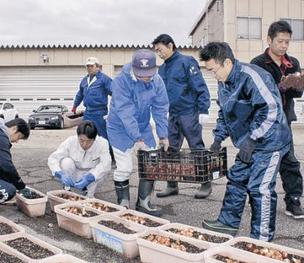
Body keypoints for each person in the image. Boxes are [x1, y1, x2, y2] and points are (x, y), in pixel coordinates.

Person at [199, 42, 291, 241]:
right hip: (248, 142)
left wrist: (252, 138)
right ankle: (227, 224)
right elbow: (225, 112)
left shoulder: (253, 77)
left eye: (214, 70)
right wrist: (217, 139)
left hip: (270, 142)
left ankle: (262, 240)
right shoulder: (223, 82)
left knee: (260, 188)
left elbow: (271, 110)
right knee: (237, 179)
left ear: (227, 63)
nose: (213, 76)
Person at [251, 21, 304, 219]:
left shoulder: (293, 63)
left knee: (289, 161)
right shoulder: (257, 63)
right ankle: (257, 199)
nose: (283, 46)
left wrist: (295, 84)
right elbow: (255, 92)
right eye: (280, 41)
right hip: (264, 121)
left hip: (284, 121)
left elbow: (297, 93)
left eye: (287, 42)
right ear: (269, 40)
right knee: (262, 161)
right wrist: (279, 86)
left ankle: (293, 201)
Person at [107, 49, 169, 216]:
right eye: (141, 74)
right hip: (119, 127)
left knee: (151, 162)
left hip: (142, 125)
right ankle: (123, 202)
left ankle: (143, 203)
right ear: (133, 68)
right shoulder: (121, 81)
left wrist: (163, 135)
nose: (146, 78)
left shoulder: (157, 80)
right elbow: (125, 111)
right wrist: (137, 139)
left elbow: (160, 108)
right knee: (125, 167)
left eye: (149, 74)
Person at [152, 34, 211, 199]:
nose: (159, 53)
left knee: (196, 148)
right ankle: (172, 185)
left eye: (160, 49)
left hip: (189, 112)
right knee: (170, 149)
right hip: (173, 115)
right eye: (156, 51)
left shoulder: (187, 62)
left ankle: (205, 183)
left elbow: (200, 86)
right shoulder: (163, 68)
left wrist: (204, 109)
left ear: (170, 45)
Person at [48, 121, 111, 198]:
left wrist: (90, 177)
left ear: (94, 139)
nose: (84, 144)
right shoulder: (71, 141)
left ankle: (89, 193)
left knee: (102, 171)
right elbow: (53, 158)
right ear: (77, 136)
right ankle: (67, 189)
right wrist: (60, 174)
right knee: (66, 162)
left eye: (88, 141)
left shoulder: (102, 143)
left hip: (91, 174)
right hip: (75, 172)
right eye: (81, 140)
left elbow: (106, 164)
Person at [71, 57, 115, 166]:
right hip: (88, 112)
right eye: (88, 66)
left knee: (104, 137)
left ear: (98, 67)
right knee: (84, 135)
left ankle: (112, 159)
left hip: (100, 113)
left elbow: (115, 92)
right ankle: (86, 159)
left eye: (92, 66)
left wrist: (118, 107)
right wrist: (74, 106)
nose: (89, 68)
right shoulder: (84, 80)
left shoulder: (104, 79)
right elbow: (80, 94)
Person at [0, 117, 31, 207]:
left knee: (8, 181)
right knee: (8, 191)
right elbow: (7, 166)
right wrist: (21, 186)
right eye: (19, 137)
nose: (17, 141)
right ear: (14, 129)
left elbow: (0, 166)